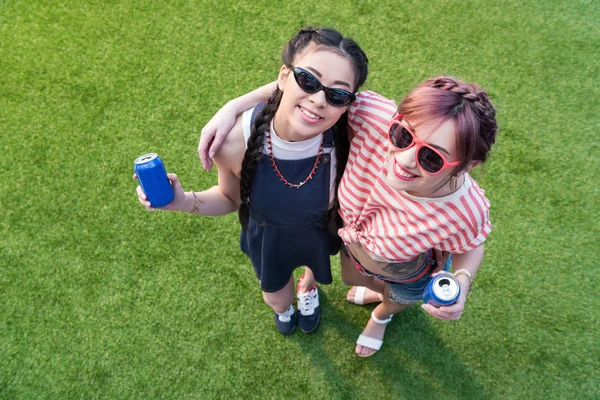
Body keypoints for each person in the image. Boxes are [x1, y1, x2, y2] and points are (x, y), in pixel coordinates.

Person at [198, 76, 498, 357]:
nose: (404, 160)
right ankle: (376, 295)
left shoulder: (466, 208)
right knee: (351, 278)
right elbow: (308, 87)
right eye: (403, 134)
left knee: (397, 298)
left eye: (432, 157)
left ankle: (381, 318)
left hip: (408, 270)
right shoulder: (372, 117)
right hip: (354, 251)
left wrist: (462, 281)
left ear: (467, 165)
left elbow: (470, 244)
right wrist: (233, 107)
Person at [134, 27, 369, 335]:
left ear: (348, 103)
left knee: (316, 264)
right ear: (283, 77)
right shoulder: (235, 141)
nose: (318, 100)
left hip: (320, 227)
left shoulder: (352, 133)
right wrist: (181, 200)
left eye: (337, 94)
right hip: (268, 239)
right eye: (308, 80)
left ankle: (308, 286)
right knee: (275, 295)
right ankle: (284, 309)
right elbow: (229, 198)